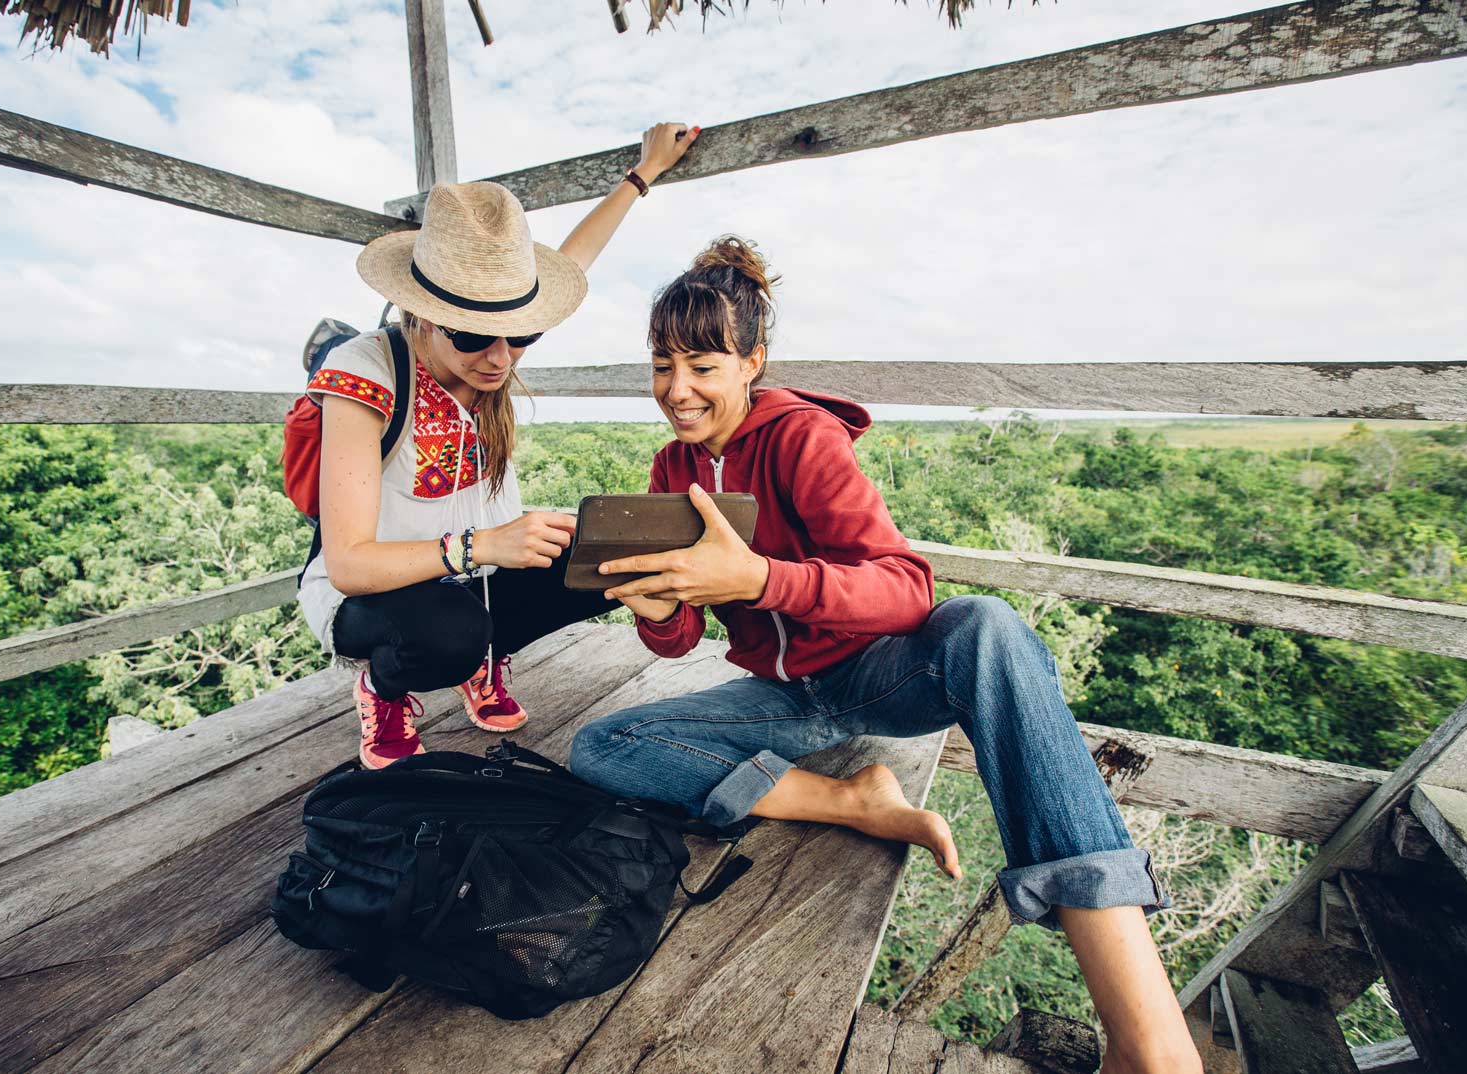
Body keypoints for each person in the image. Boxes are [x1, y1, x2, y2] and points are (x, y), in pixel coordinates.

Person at [566, 237, 1203, 1074]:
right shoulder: (672, 465)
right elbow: (682, 636)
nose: (676, 390)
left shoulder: (801, 439)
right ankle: (856, 800)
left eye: (701, 365)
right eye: (660, 366)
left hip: (879, 676)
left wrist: (759, 577)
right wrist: (658, 610)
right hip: (785, 697)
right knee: (599, 746)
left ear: (752, 361)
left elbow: (906, 586)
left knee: (986, 625)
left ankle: (1148, 1038)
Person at [297, 122, 699, 769]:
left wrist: (643, 174)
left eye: (519, 338)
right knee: (448, 632)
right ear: (424, 312)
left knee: (605, 553)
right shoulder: (367, 370)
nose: (500, 358)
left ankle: (483, 655)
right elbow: (348, 564)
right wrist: (484, 544)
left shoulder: (494, 341)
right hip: (377, 595)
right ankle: (386, 686)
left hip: (476, 576)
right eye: (474, 338)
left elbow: (574, 259)